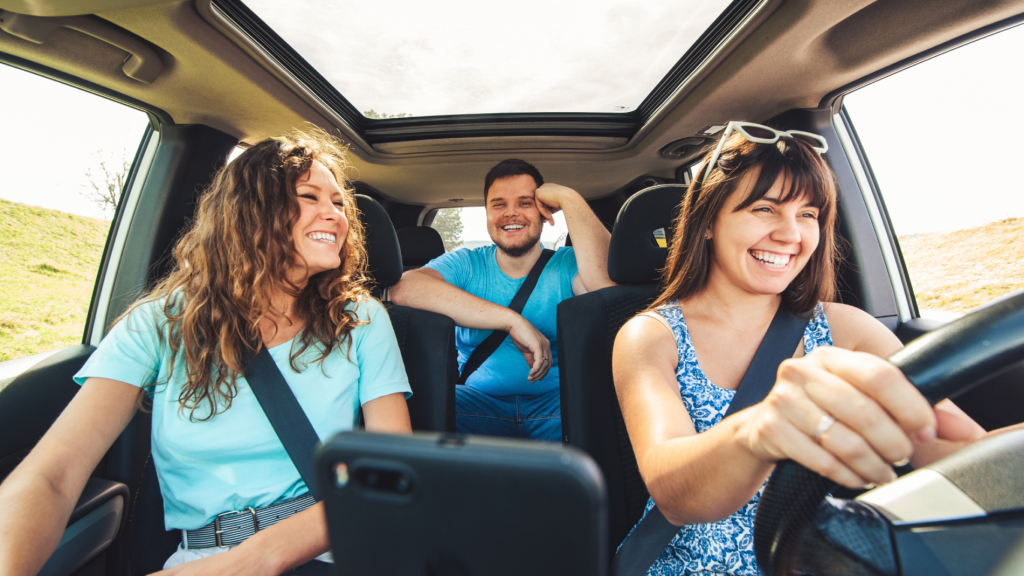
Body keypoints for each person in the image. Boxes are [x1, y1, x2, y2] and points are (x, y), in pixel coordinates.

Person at [0, 131, 413, 576]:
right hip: (201, 559)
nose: (333, 214)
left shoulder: (361, 319)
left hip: (334, 550)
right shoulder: (157, 325)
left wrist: (250, 562)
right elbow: (52, 476)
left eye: (338, 203)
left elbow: (389, 471)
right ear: (250, 211)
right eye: (309, 196)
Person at [612, 122, 1012, 575]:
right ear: (707, 223)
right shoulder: (650, 336)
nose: (791, 234)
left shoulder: (848, 329)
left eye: (809, 214)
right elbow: (674, 493)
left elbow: (963, 454)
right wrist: (761, 431)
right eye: (765, 209)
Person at [390, 159, 614, 441]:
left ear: (545, 212)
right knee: (419, 406)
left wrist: (568, 198)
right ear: (486, 213)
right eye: (498, 204)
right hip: (473, 405)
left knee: (611, 405)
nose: (510, 213)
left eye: (524, 203)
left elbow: (606, 285)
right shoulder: (467, 263)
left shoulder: (570, 264)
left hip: (559, 408)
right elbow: (404, 289)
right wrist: (510, 320)